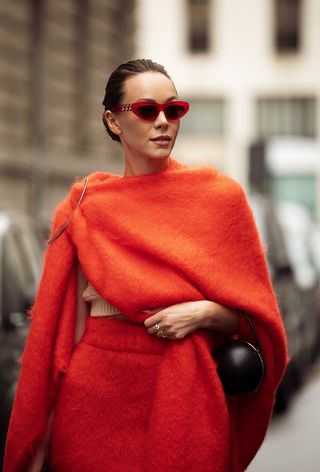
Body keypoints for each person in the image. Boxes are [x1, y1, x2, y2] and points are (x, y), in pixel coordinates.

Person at [4, 59, 287, 472]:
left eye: (174, 110)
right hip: (94, 402)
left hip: (185, 393)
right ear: (114, 121)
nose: (163, 122)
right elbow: (65, 329)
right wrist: (41, 434)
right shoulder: (85, 205)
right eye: (145, 110)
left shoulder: (218, 200)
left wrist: (206, 313)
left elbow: (259, 322)